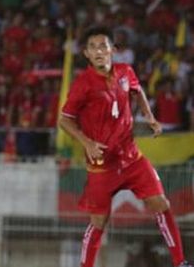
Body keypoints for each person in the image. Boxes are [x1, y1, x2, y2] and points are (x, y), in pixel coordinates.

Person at [58, 26, 192, 267]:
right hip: (101, 164)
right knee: (99, 221)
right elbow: (64, 119)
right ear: (87, 54)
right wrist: (86, 143)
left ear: (113, 49)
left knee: (161, 204)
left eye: (103, 45)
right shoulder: (83, 84)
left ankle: (180, 262)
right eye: (93, 47)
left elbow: (138, 90)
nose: (98, 50)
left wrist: (149, 116)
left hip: (131, 158)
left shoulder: (125, 71)